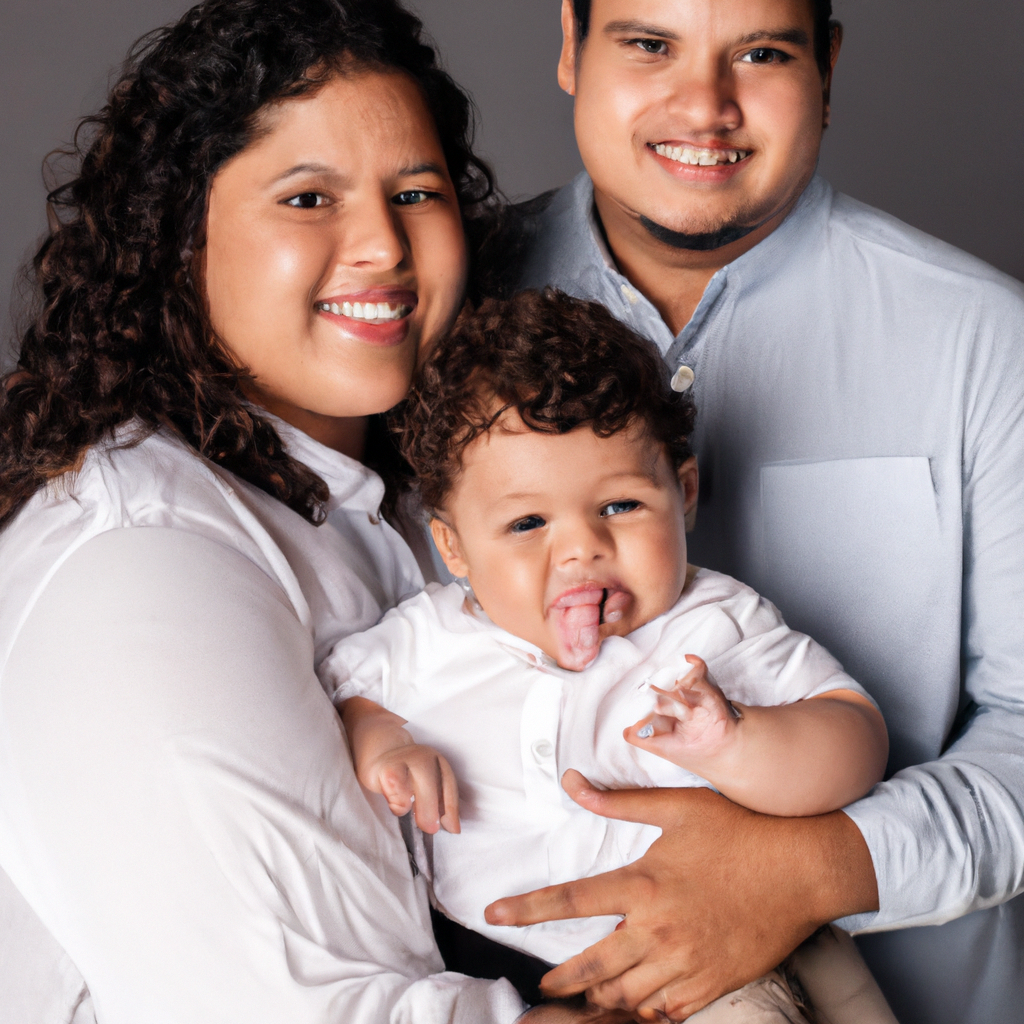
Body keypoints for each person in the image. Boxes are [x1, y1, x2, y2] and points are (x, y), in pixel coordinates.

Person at [0, 1, 622, 1021]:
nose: (381, 243)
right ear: (175, 234)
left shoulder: (407, 498)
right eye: (306, 198)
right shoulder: (142, 564)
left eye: (415, 192)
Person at [481, 1, 1024, 1022]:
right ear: (569, 43)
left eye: (762, 52)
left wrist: (811, 868)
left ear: (827, 64)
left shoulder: (989, 345)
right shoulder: (438, 304)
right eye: (649, 43)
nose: (704, 104)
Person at [324, 289, 896, 1023]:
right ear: (454, 547)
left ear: (682, 493)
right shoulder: (430, 637)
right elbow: (348, 695)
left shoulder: (713, 625)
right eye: (528, 522)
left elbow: (856, 739)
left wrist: (740, 740)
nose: (581, 548)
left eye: (621, 507)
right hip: (491, 967)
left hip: (713, 965)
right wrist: (383, 741)